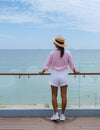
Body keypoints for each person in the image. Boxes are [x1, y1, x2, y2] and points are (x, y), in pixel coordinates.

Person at [39, 35, 79, 121]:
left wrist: (42, 71)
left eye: (54, 42)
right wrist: (75, 71)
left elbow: (47, 65)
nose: (53, 43)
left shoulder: (52, 53)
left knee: (54, 95)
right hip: (64, 75)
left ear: (56, 44)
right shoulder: (68, 53)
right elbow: (71, 65)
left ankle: (56, 114)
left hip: (54, 75)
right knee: (64, 96)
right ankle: (63, 115)